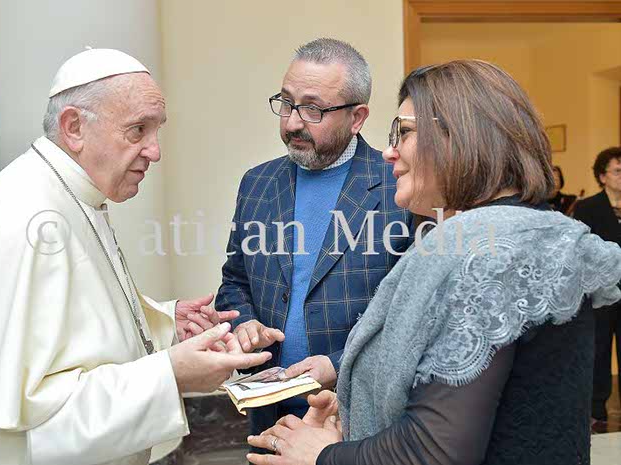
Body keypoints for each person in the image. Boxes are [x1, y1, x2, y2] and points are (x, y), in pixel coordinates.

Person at [247, 60, 621, 465]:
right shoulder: (520, 236)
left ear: (460, 136)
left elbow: (434, 449)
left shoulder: (489, 255)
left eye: (403, 132)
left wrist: (323, 455)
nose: (389, 151)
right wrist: (356, 419)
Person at [0, 48, 271, 465]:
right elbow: (31, 426)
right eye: (137, 130)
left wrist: (164, 322)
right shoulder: (25, 220)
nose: (154, 151)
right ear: (74, 127)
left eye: (156, 130)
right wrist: (171, 374)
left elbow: (74, 328)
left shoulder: (71, 194)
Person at [215, 38, 412, 443]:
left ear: (357, 118)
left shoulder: (400, 188)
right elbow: (234, 282)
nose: (291, 123)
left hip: (360, 423)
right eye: (286, 103)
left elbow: (408, 315)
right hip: (269, 418)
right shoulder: (257, 184)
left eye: (312, 109)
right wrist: (244, 323)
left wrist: (337, 365)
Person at [574, 147, 621, 429]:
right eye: (618, 171)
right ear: (602, 176)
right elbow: (582, 250)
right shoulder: (588, 207)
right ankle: (596, 410)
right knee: (600, 351)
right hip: (602, 293)